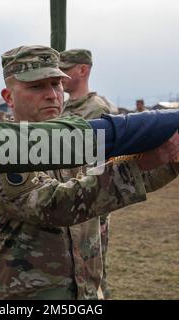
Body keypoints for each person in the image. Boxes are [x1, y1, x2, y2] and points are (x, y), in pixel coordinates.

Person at [0, 45, 179, 300]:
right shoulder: (0, 150)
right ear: (8, 97)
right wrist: (138, 166)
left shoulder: (72, 142)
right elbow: (56, 205)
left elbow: (135, 180)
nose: (52, 95)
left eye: (56, 84)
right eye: (37, 87)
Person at [59, 48, 115, 298]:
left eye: (65, 70)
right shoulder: (62, 108)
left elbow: (103, 164)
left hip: (91, 201)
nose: (60, 75)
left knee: (91, 272)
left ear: (83, 70)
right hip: (64, 198)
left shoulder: (97, 110)